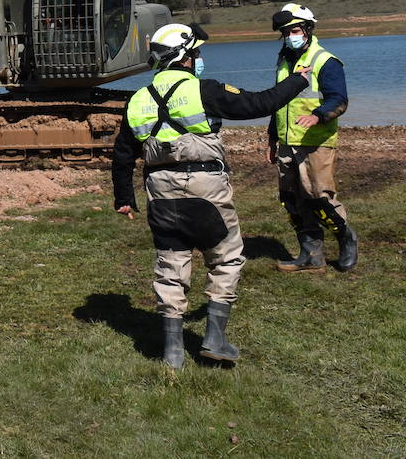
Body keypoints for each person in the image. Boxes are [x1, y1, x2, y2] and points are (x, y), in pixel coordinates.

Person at [112, 23, 310, 368]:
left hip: (159, 191)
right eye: (197, 53)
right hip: (205, 187)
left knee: (171, 263)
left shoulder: (137, 99)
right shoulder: (204, 90)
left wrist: (124, 198)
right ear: (185, 57)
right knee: (227, 257)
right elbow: (259, 103)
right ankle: (215, 339)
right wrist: (299, 80)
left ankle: (173, 352)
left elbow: (124, 154)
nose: (200, 58)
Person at [268, 3, 358, 273]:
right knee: (292, 199)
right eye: (285, 32)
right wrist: (271, 138)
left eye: (294, 30)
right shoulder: (283, 61)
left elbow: (339, 100)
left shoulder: (326, 61)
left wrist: (318, 115)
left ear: (307, 30)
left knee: (319, 197)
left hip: (315, 141)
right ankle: (310, 255)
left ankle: (346, 238)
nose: (289, 36)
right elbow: (277, 102)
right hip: (287, 142)